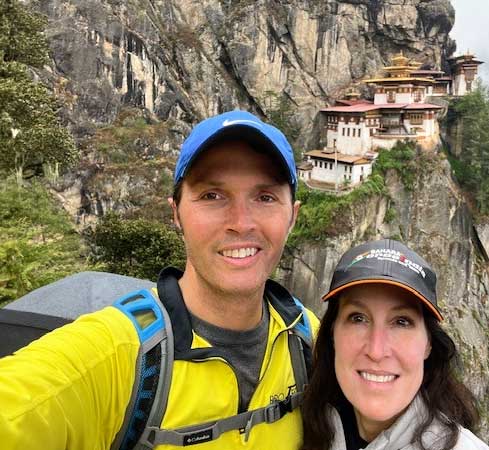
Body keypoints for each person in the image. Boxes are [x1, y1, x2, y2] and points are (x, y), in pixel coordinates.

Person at [0, 110, 319, 450]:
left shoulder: (306, 340)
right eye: (212, 195)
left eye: (265, 197)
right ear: (176, 214)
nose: (241, 223)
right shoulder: (120, 356)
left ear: (292, 217)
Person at [302, 239, 489, 450]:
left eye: (402, 322)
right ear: (332, 334)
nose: (376, 350)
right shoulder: (305, 427)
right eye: (358, 318)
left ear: (428, 343)